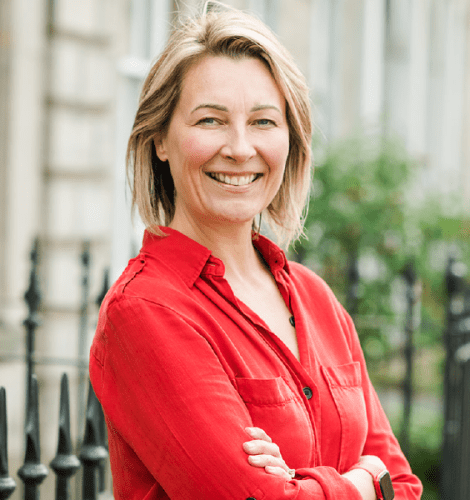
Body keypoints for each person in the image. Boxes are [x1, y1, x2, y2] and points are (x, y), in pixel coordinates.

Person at [89, 3, 421, 499]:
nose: (241, 148)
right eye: (210, 120)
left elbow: (406, 485)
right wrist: (360, 483)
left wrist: (298, 483)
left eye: (264, 121)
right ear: (160, 139)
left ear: (291, 139)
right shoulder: (147, 313)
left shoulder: (315, 299)